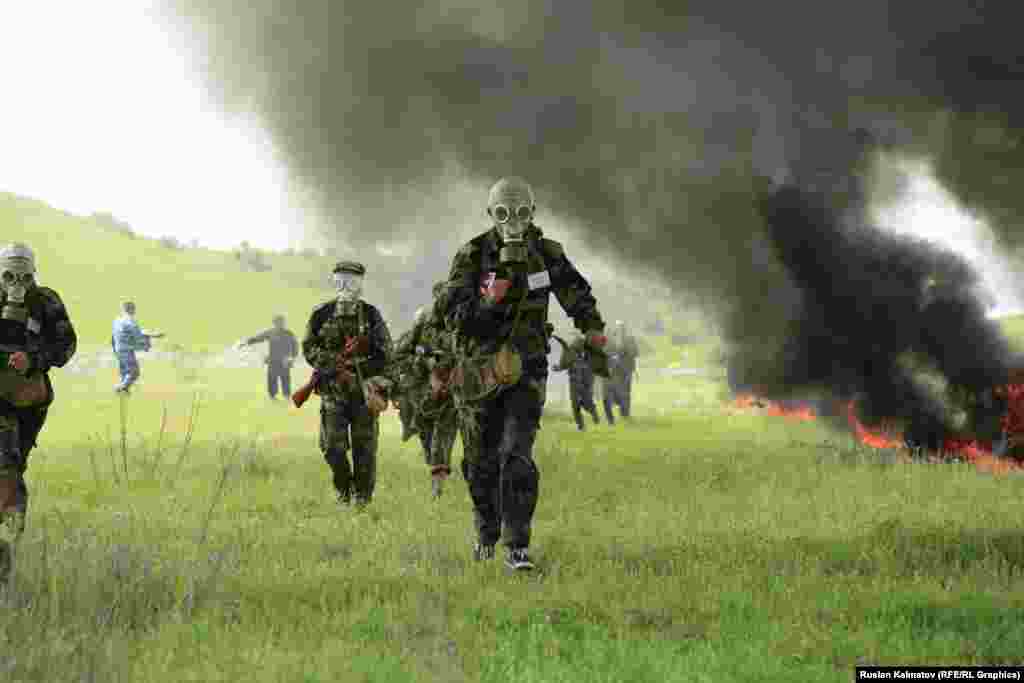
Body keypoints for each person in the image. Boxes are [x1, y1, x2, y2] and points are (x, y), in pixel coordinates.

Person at [436, 176, 607, 571]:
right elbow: (452, 316)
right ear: (490, 215)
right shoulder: (472, 255)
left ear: (532, 213)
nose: (513, 221)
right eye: (503, 213)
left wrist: (592, 329)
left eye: (521, 213)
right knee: (479, 462)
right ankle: (486, 533)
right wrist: (487, 303)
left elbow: (577, 294)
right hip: (480, 372)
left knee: (516, 455)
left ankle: (517, 547)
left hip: (527, 368)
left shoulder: (545, 253)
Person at [0, 243, 77, 580]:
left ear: (34, 273)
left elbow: (67, 345)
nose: (17, 283)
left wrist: (34, 359)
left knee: (12, 466)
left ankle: (8, 539)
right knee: (6, 465)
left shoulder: (46, 301)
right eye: (9, 275)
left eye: (24, 276)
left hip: (28, 401)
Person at [302, 261, 393, 507]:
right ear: (334, 282)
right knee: (332, 447)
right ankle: (343, 491)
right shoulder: (321, 314)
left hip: (363, 391)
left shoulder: (371, 315)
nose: (346, 286)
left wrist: (366, 353)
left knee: (365, 448)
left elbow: (387, 352)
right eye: (341, 280)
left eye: (351, 281)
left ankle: (362, 498)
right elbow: (309, 348)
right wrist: (334, 366)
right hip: (333, 390)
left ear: (361, 284)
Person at [389, 283, 459, 498]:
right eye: (441, 298)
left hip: (452, 392)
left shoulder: (464, 324)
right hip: (422, 393)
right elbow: (399, 355)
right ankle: (435, 465)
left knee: (443, 435)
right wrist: (425, 363)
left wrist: (451, 374)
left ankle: (437, 486)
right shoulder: (423, 326)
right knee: (426, 432)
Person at [238, 314, 299, 400]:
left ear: (284, 323)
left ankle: (287, 396)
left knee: (285, 379)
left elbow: (295, 346)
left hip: (285, 361)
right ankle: (273, 396)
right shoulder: (270, 332)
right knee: (272, 378)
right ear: (274, 323)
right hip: (273, 360)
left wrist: (292, 357)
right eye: (277, 322)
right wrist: (246, 342)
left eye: (281, 322)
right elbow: (258, 338)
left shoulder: (289, 333)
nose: (280, 324)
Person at [552, 331, 601, 430]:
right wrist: (558, 368)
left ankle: (593, 413)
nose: (574, 342)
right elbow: (564, 364)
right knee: (575, 403)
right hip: (574, 381)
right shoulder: (568, 350)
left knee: (586, 402)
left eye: (575, 339)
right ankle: (581, 425)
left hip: (585, 381)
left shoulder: (588, 349)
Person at [111, 301, 162, 394]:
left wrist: (152, 335)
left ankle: (124, 392)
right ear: (132, 310)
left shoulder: (117, 320)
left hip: (117, 349)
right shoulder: (130, 322)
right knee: (134, 372)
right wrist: (146, 345)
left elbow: (130, 333)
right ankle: (119, 389)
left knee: (125, 373)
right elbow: (138, 336)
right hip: (126, 350)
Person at [602, 320, 640, 423]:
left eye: (622, 327)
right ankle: (613, 411)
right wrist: (612, 357)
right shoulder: (610, 339)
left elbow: (635, 352)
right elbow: (604, 351)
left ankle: (625, 414)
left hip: (626, 370)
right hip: (614, 370)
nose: (620, 329)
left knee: (626, 392)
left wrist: (625, 353)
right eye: (618, 327)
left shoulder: (630, 339)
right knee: (614, 391)